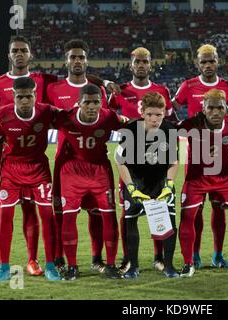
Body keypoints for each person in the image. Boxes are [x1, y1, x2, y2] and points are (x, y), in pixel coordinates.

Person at [0, 36, 57, 277]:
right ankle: (1, 261)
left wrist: (104, 82)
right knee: (4, 212)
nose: (19, 54)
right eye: (14, 50)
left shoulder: (42, 81)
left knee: (32, 210)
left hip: (35, 162)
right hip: (9, 163)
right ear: (9, 55)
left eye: (23, 50)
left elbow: (74, 83)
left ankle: (34, 260)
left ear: (30, 54)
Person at [108, 47, 174, 273]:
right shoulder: (121, 90)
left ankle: (159, 257)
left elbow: (170, 122)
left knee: (159, 209)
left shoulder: (161, 90)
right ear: (131, 65)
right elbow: (109, 117)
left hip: (156, 159)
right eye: (137, 61)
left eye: (145, 61)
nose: (141, 65)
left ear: (150, 64)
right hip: (131, 160)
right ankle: (128, 259)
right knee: (129, 212)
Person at [177, 89, 228, 277]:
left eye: (219, 108)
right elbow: (165, 132)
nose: (215, 112)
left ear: (226, 109)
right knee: (187, 217)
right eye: (210, 108)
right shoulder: (190, 125)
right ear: (203, 109)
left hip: (226, 177)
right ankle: (188, 263)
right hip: (197, 178)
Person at [47, 39, 109, 275]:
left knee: (97, 214)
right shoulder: (54, 89)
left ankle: (97, 258)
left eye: (81, 57)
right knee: (62, 214)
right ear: (66, 60)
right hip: (65, 162)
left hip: (94, 163)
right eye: (73, 57)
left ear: (86, 60)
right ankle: (60, 259)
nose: (77, 61)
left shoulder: (98, 91)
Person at [53, 84, 127, 280]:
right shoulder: (65, 117)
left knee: (108, 216)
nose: (92, 106)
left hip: (100, 171)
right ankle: (72, 266)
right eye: (87, 102)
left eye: (96, 102)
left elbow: (130, 127)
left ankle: (110, 264)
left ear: (101, 103)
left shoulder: (109, 116)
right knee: (68, 218)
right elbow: (40, 120)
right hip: (72, 171)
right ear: (78, 103)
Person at [172, 44, 228, 269]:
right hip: (196, 156)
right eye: (203, 62)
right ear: (197, 63)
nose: (208, 65)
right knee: (195, 209)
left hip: (220, 155)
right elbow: (172, 108)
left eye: (212, 61)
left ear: (218, 61)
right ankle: (195, 255)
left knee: (219, 208)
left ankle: (218, 255)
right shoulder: (188, 85)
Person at [114, 92, 179, 279]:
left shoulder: (170, 130)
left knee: (169, 222)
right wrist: (131, 188)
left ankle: (169, 266)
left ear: (164, 113)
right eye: (150, 114)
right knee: (131, 221)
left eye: (158, 114)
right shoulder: (130, 130)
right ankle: (133, 266)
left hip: (160, 181)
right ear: (142, 112)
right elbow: (120, 161)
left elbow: (174, 161)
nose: (154, 119)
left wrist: (168, 185)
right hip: (136, 182)